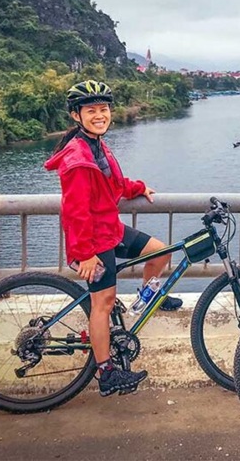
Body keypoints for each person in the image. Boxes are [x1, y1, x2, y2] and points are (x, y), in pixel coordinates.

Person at [44, 80, 184, 397]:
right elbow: (75, 211)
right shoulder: (77, 157)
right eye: (91, 110)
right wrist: (85, 254)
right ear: (76, 116)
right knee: (103, 304)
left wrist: (137, 188)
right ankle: (106, 372)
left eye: (103, 109)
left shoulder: (95, 144)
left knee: (159, 253)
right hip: (94, 241)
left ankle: (149, 299)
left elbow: (114, 182)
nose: (99, 115)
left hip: (111, 230)